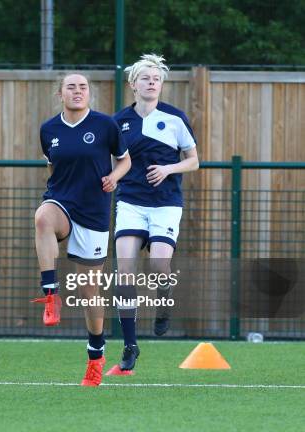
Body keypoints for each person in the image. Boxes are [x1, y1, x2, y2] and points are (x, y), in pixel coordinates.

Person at [32, 73, 131, 386]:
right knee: (43, 218)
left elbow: (125, 160)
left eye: (83, 87)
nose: (77, 91)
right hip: (61, 202)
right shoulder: (49, 129)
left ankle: (96, 355)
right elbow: (51, 165)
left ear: (90, 94)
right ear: (60, 94)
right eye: (71, 87)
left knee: (90, 291)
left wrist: (115, 177)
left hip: (94, 212)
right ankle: (50, 295)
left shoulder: (105, 126)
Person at [113, 54, 199, 371]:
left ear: (161, 85)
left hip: (165, 203)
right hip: (131, 203)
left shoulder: (175, 118)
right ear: (133, 84)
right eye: (146, 78)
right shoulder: (118, 122)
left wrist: (169, 168)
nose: (152, 82)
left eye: (157, 78)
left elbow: (194, 160)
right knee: (125, 272)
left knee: (159, 264)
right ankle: (130, 346)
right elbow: (112, 162)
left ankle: (164, 297)